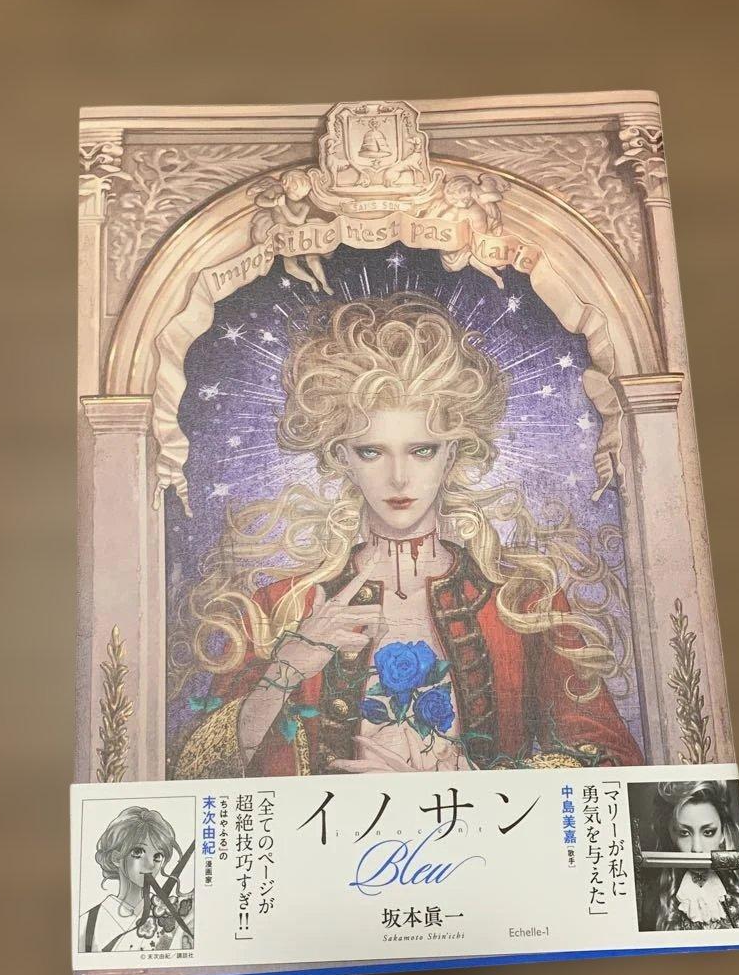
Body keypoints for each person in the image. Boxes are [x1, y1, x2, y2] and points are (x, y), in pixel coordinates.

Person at [171, 293, 643, 778]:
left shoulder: (523, 602)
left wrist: (474, 784)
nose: (398, 478)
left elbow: (612, 763)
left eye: (422, 450)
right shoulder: (283, 606)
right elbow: (196, 779)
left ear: (453, 453)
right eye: (372, 451)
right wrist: (285, 671)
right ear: (342, 457)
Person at [78, 806, 194, 954]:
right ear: (116, 858)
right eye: (138, 852)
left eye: (157, 856)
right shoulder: (86, 923)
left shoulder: (175, 914)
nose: (150, 864)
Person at [642, 780, 739, 931]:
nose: (697, 848)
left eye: (708, 832)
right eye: (684, 833)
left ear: (723, 832)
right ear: (671, 833)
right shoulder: (648, 897)